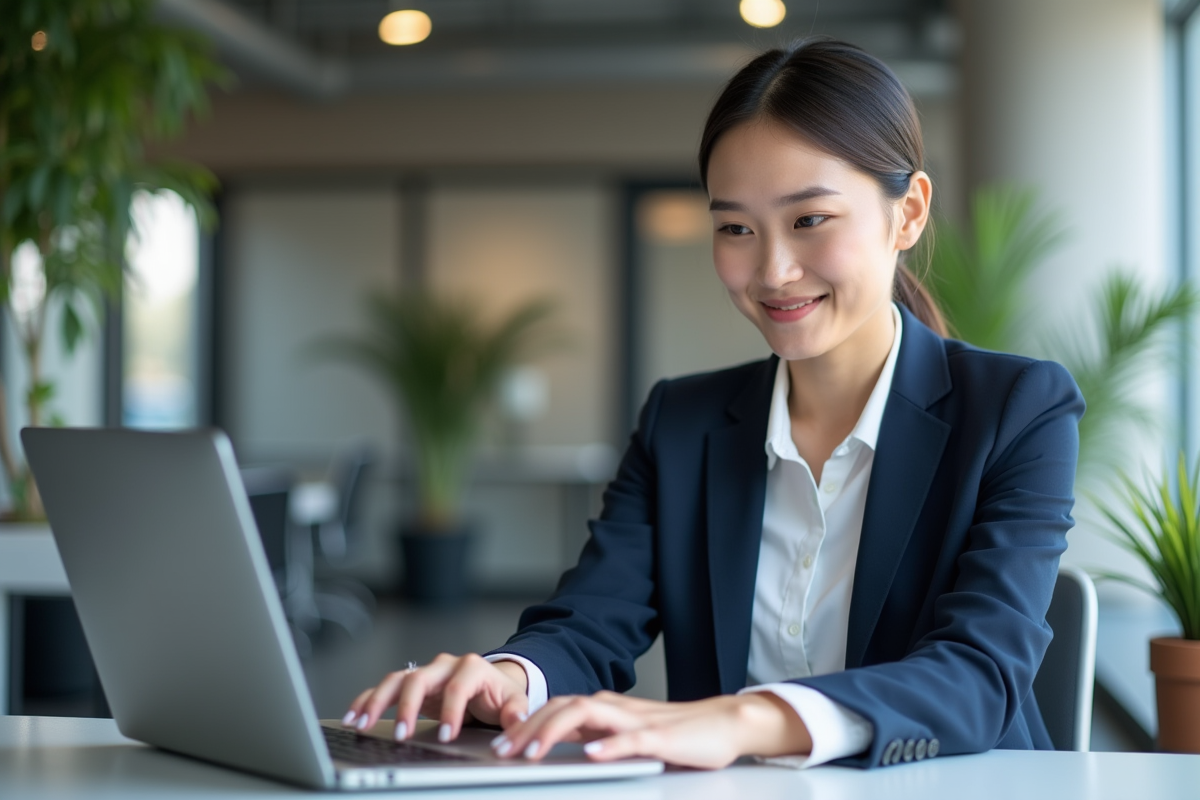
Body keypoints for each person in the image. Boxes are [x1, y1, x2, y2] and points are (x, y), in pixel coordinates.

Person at [343, 38, 1084, 770]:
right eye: (735, 228)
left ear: (909, 212)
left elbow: (979, 672)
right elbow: (592, 621)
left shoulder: (1017, 411)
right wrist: (509, 678)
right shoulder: (682, 423)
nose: (773, 271)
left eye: (810, 220)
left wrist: (743, 718)